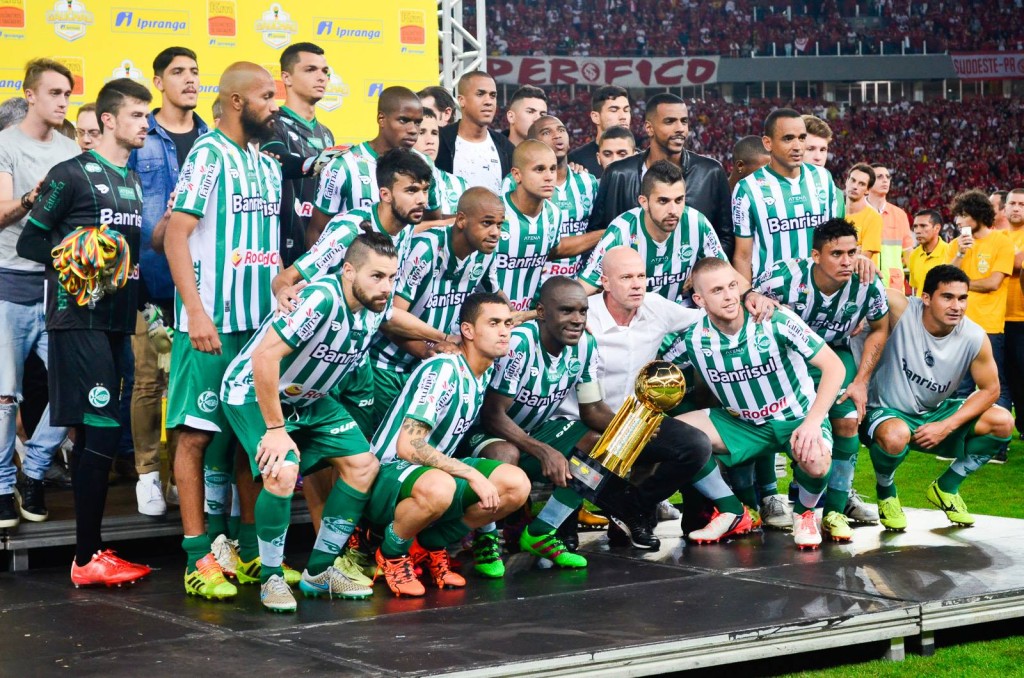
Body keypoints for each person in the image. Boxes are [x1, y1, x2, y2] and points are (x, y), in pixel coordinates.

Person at [469, 276, 716, 562]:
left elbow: (592, 410)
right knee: (505, 453)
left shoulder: (585, 346)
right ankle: (486, 540)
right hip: (490, 434)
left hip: (539, 430)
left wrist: (634, 430)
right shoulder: (521, 343)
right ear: (541, 313)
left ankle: (541, 532)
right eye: (566, 311)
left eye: (583, 311)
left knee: (600, 442)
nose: (577, 319)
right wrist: (543, 450)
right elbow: (492, 415)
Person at [221, 233, 402, 612]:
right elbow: (264, 360)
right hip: (255, 394)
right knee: (284, 472)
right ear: (349, 270)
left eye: (392, 278)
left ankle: (319, 571)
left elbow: (400, 320)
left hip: (312, 399)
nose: (386, 287)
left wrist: (443, 338)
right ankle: (271, 579)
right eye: (377, 277)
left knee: (363, 465)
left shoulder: (374, 306)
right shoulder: (321, 298)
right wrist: (275, 430)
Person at [17, 77, 151, 585]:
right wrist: (72, 252)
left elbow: (127, 260)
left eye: (147, 115)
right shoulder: (69, 174)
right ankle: (85, 558)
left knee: (106, 429)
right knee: (97, 427)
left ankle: (92, 553)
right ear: (110, 121)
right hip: (78, 320)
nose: (145, 123)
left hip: (118, 321)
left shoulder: (133, 180)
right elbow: (31, 243)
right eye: (137, 115)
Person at [163, 62, 282, 600]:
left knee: (244, 441)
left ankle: (249, 550)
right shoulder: (208, 155)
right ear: (236, 101)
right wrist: (196, 312)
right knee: (193, 434)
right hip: (211, 325)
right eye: (265, 96)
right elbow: (176, 237)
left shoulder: (266, 162)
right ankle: (196, 556)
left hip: (258, 327)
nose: (274, 105)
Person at [366, 293, 531, 597]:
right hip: (388, 476)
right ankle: (390, 553)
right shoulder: (444, 369)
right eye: (493, 323)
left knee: (516, 484)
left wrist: (535, 314)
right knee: (443, 486)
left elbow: (522, 318)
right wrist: (471, 474)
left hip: (428, 476)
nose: (505, 331)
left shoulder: (482, 372)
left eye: (508, 323)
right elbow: (408, 446)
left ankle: (429, 544)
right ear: (468, 331)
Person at [674, 258, 843, 550]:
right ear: (699, 299)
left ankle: (804, 514)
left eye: (732, 286)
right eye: (717, 290)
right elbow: (655, 369)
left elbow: (834, 367)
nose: (728, 296)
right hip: (742, 424)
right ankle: (733, 511)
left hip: (796, 418)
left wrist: (813, 422)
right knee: (675, 438)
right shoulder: (692, 338)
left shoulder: (774, 319)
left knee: (816, 461)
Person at [754, 219, 889, 541]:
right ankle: (767, 496)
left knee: (848, 420)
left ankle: (836, 509)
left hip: (834, 352)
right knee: (767, 417)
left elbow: (880, 327)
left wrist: (861, 380)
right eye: (836, 253)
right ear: (816, 255)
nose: (846, 261)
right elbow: (750, 302)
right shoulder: (782, 276)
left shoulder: (866, 281)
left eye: (851, 252)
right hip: (786, 356)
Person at [864, 265, 1013, 530]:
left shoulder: (974, 336)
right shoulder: (904, 309)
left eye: (962, 298)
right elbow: (872, 289)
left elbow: (991, 390)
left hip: (934, 413)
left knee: (1002, 421)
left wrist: (947, 425)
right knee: (896, 435)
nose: (957, 306)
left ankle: (946, 488)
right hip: (886, 412)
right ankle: (886, 492)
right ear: (926, 298)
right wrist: (860, 262)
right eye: (947, 297)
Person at [127, 46, 209, 518]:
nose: (190, 79)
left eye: (195, 72)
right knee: (146, 383)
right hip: (150, 277)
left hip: (199, 285)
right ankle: (146, 475)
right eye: (178, 72)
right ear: (159, 81)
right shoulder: (144, 135)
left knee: (187, 383)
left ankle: (182, 474)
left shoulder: (211, 139)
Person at [0, 59, 79, 530]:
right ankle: (3, 483)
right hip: (9, 278)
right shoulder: (5, 144)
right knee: (5, 397)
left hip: (60, 284)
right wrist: (34, 198)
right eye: (54, 93)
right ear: (29, 95)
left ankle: (34, 471)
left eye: (67, 93)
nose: (63, 101)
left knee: (70, 388)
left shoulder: (71, 149)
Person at [369, 187, 504, 425]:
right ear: (461, 220)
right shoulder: (425, 248)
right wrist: (440, 341)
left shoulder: (485, 254)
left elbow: (498, 300)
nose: (495, 233)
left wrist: (534, 316)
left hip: (431, 368)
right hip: (388, 367)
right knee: (384, 450)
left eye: (500, 225)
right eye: (487, 223)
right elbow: (390, 318)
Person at [590, 94, 733, 258]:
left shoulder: (710, 172)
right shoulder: (617, 174)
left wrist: (702, 267)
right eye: (670, 121)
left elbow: (726, 236)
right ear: (649, 128)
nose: (680, 128)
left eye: (684, 121)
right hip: (633, 281)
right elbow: (596, 236)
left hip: (691, 282)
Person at [580, 160, 725, 303]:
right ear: (644, 202)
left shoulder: (697, 223)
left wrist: (748, 294)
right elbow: (583, 287)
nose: (673, 211)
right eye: (663, 201)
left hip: (677, 317)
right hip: (632, 321)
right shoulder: (621, 230)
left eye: (679, 200)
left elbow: (726, 273)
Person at [308, 86, 437, 246]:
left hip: (401, 269)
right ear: (381, 119)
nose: (412, 130)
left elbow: (433, 224)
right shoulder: (343, 166)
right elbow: (317, 231)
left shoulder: (424, 164)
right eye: (403, 120)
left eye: (417, 123)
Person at [732, 108, 844, 284]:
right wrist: (746, 295)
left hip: (819, 289)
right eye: (788, 138)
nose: (798, 146)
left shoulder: (823, 178)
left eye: (802, 138)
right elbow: (742, 256)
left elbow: (836, 239)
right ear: (768, 143)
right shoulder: (747, 189)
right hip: (771, 294)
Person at [494, 140, 595, 313]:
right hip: (492, 317)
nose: (549, 177)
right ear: (517, 175)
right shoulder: (495, 212)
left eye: (552, 169)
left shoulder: (553, 213)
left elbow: (554, 251)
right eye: (539, 169)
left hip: (530, 315)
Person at [261, 42, 335, 266]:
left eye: (325, 71)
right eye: (310, 70)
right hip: (280, 252)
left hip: (320, 253)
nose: (321, 77)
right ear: (287, 77)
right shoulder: (271, 123)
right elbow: (281, 162)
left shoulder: (326, 133)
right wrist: (332, 159)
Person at [502, 116, 601, 279]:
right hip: (535, 283)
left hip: (578, 284)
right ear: (533, 143)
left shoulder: (587, 181)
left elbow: (593, 228)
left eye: (561, 130)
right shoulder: (513, 183)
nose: (557, 135)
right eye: (546, 132)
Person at [947, 190, 1013, 433]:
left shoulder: (1001, 242)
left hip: (989, 327)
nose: (958, 221)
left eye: (963, 215)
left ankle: (999, 443)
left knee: (994, 387)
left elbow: (992, 283)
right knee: (957, 387)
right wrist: (961, 255)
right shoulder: (956, 246)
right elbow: (944, 282)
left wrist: (961, 285)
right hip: (957, 326)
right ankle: (955, 436)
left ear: (977, 214)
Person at [435, 71, 515, 195]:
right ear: (462, 101)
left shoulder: (505, 147)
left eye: (493, 95)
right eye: (480, 94)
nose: (488, 101)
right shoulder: (440, 141)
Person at [867, 163, 914, 291]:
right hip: (864, 283)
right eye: (879, 177)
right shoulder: (856, 213)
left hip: (894, 287)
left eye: (887, 177)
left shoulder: (899, 214)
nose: (885, 180)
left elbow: (908, 253)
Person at [567, 85, 631, 178]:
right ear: (595, 117)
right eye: (614, 110)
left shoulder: (643, 160)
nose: (623, 116)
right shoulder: (576, 160)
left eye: (626, 110)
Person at [415, 108, 466, 215]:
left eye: (434, 133)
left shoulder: (460, 185)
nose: (430, 141)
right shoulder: (392, 182)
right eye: (421, 132)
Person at [1004, 189, 1024, 442]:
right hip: (1000, 317)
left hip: (1022, 316)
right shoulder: (999, 235)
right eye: (1012, 203)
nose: (1017, 208)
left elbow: (1019, 263)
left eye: (1022, 204)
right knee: (1005, 375)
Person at [844, 163, 883, 264]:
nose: (855, 186)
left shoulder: (873, 218)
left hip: (859, 278)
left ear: (867, 191)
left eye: (861, 184)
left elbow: (863, 259)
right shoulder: (835, 212)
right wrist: (853, 251)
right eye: (853, 180)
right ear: (846, 181)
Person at [907, 209, 951, 296]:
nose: (917, 231)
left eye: (923, 226)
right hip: (921, 308)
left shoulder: (950, 252)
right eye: (915, 226)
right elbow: (916, 287)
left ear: (937, 228)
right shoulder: (914, 255)